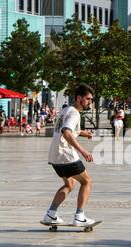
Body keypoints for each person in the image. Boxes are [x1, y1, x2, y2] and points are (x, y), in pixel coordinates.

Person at [42, 83, 96, 226]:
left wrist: (84, 133)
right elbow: (66, 132)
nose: (90, 102)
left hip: (54, 155)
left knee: (70, 183)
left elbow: (67, 129)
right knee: (87, 181)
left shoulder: (66, 110)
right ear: (79, 98)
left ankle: (51, 214)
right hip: (65, 154)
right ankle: (79, 216)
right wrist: (82, 150)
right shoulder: (74, 113)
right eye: (89, 99)